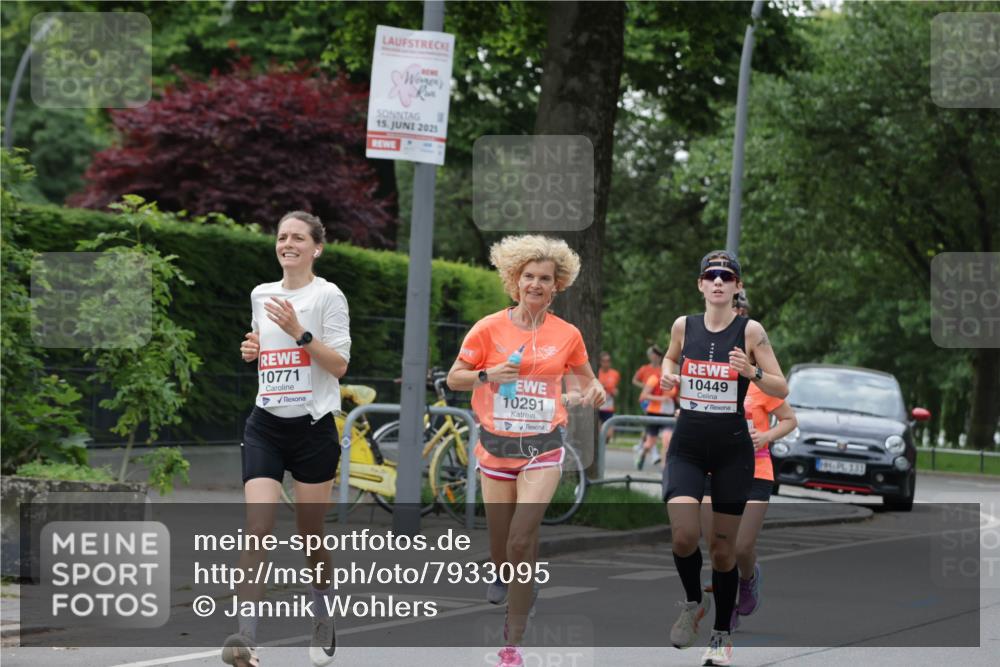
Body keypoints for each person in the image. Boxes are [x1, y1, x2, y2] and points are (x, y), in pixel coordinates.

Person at [446, 235, 605, 667]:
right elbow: (453, 378)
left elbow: (587, 379)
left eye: (545, 279)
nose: (536, 284)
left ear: (558, 286)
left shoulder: (567, 334)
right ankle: (508, 575)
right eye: (529, 277)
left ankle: (512, 642)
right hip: (496, 451)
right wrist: (488, 374)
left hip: (544, 449)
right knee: (502, 547)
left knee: (521, 539)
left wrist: (591, 391)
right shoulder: (488, 328)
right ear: (514, 281)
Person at [225, 211, 352, 667]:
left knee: (310, 536)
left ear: (316, 247)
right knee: (257, 529)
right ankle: (245, 637)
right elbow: (261, 345)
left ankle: (321, 612)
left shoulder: (328, 296)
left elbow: (338, 365)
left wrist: (301, 334)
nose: (288, 243)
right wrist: (252, 348)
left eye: (298, 237)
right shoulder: (262, 294)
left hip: (314, 427)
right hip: (266, 423)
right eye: (282, 237)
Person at [660, 250, 787, 666]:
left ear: (736, 286)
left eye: (726, 276)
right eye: (711, 275)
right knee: (682, 535)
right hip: (689, 447)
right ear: (700, 284)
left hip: (733, 451)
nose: (718, 282)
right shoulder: (684, 325)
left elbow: (781, 387)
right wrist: (667, 373)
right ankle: (693, 602)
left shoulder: (750, 331)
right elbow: (670, 357)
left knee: (722, 551)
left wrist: (751, 372)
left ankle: (720, 634)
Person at [700, 297, 797, 632]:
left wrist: (766, 437)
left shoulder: (762, 379)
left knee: (741, 545)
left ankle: (748, 578)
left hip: (756, 469)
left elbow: (789, 419)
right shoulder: (708, 369)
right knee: (718, 545)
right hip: (714, 468)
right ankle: (726, 613)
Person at [637, 371, 678, 469]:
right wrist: (661, 399)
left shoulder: (677, 379)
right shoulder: (655, 378)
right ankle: (642, 454)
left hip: (668, 414)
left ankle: (665, 468)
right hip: (654, 413)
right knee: (650, 443)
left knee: (667, 440)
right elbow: (643, 396)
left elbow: (676, 397)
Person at [632, 345, 664, 462]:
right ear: (650, 356)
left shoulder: (662, 370)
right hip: (646, 399)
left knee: (650, 425)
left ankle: (642, 444)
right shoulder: (644, 368)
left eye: (658, 356)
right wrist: (644, 386)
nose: (656, 358)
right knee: (651, 422)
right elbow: (634, 380)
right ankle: (654, 452)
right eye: (653, 355)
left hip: (658, 400)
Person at [597, 351, 621, 441]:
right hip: (598, 407)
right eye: (604, 361)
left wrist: (615, 392)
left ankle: (602, 447)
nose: (606, 363)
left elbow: (616, 389)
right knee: (599, 434)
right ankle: (599, 452)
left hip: (608, 407)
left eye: (608, 361)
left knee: (609, 435)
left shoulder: (615, 374)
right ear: (600, 362)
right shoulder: (597, 373)